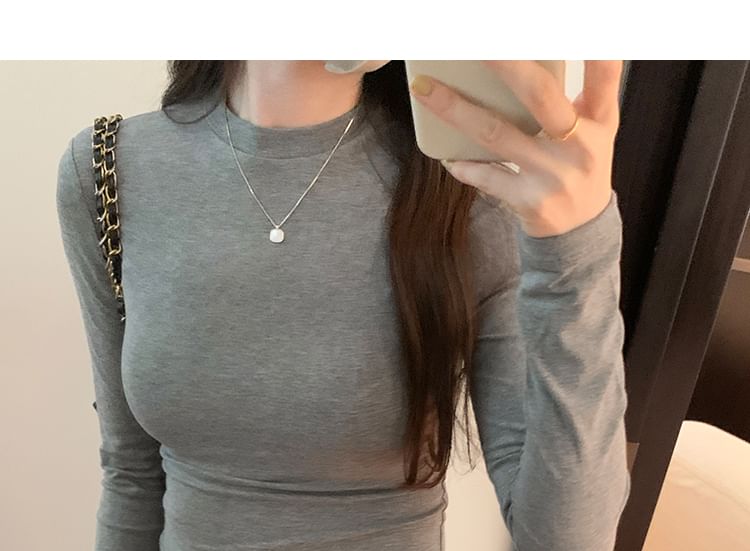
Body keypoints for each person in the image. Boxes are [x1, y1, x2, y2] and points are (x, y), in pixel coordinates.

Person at [56, 60, 631, 551]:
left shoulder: (473, 188)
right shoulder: (107, 169)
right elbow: (130, 472)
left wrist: (575, 253)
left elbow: (565, 539)